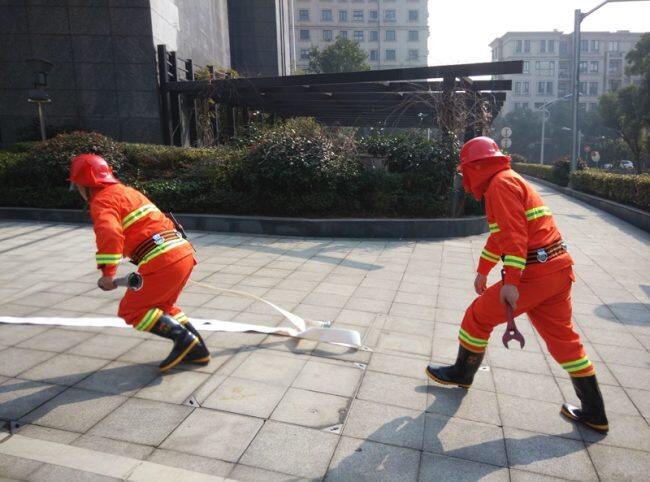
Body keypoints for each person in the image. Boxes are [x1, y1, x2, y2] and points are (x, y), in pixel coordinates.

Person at [426, 137, 609, 434]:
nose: (465, 177)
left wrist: (510, 282)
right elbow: (500, 236)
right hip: (558, 269)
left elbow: (514, 238)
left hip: (534, 275)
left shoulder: (500, 186)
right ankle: (594, 411)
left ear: (477, 167)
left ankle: (462, 372)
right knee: (564, 340)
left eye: (466, 170)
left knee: (477, 317)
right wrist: (483, 270)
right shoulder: (509, 179)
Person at [68, 153, 210, 372]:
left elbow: (110, 234)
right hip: (182, 252)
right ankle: (197, 350)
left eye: (76, 186)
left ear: (84, 185)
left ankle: (184, 340)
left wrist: (107, 274)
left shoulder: (101, 201)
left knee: (132, 310)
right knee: (162, 306)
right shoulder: (128, 192)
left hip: (162, 259)